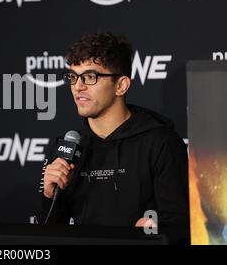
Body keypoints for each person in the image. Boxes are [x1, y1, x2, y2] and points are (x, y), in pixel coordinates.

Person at [42, 32, 189, 228]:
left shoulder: (161, 143)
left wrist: (155, 232)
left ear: (121, 85)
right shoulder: (67, 148)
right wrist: (49, 196)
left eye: (90, 77)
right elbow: (49, 233)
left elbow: (182, 225)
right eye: (73, 77)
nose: (78, 86)